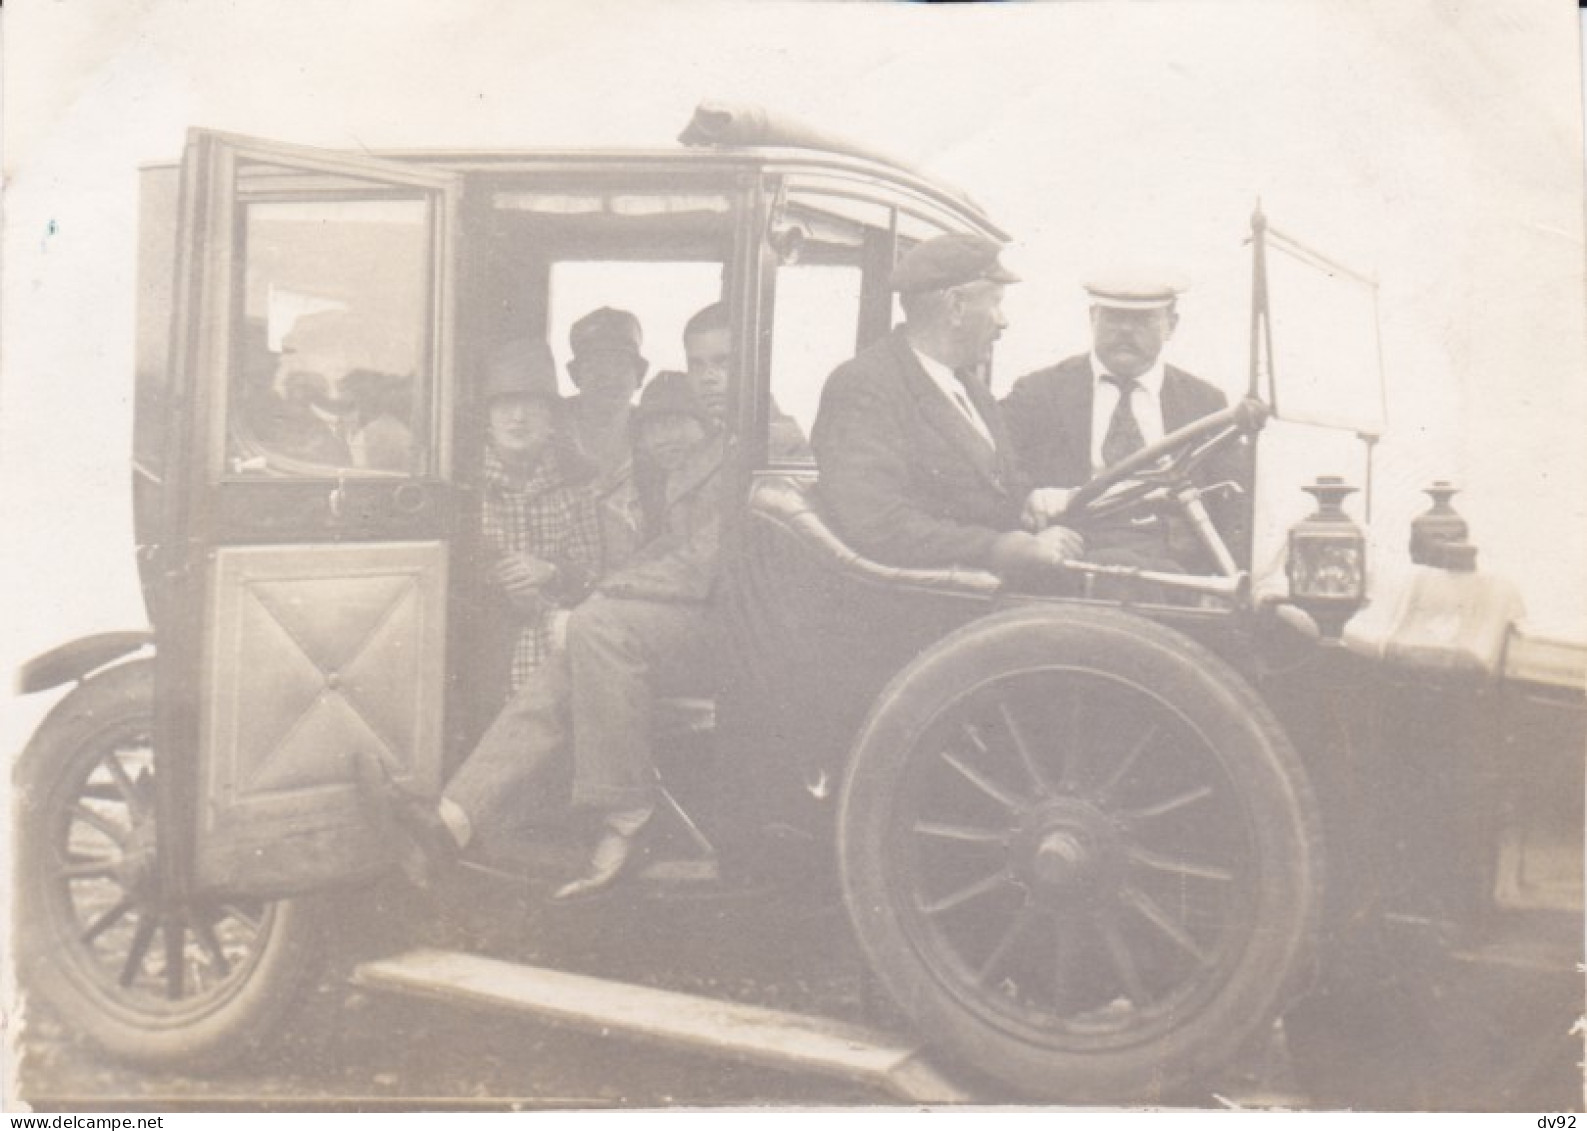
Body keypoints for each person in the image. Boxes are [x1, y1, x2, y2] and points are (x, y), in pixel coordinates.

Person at [810, 232, 1083, 579]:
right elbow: (876, 522)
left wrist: (1031, 502)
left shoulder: (970, 390)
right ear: (956, 306)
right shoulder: (866, 385)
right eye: (996, 302)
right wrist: (998, 548)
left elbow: (1002, 487)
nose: (1003, 321)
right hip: (935, 600)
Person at [1001, 273, 1246, 571]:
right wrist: (1032, 499)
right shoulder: (1040, 393)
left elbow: (1236, 503)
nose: (1126, 330)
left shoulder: (1205, 403)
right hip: (1075, 559)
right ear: (1093, 318)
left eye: (1143, 320)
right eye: (1114, 318)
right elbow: (997, 471)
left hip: (1175, 561)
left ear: (1172, 325)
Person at [474, 338, 601, 696]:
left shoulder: (575, 482)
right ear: (488, 417)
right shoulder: (466, 485)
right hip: (480, 643)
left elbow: (593, 572)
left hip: (554, 642)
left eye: (531, 404)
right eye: (505, 405)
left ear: (550, 418)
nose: (518, 418)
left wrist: (550, 570)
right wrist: (498, 578)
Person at [240, 309, 413, 473]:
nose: (343, 361)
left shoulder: (390, 431)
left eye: (352, 349)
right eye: (327, 350)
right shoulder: (269, 423)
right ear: (301, 360)